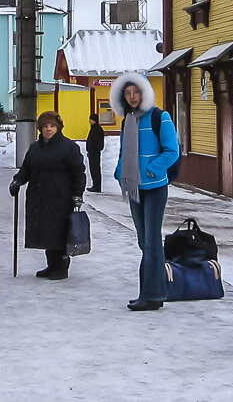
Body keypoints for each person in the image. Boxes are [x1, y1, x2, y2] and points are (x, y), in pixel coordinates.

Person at [111, 71, 179, 311]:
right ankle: (152, 291)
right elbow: (123, 152)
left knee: (151, 240)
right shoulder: (128, 120)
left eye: (136, 92)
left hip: (155, 187)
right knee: (144, 241)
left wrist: (153, 169)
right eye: (128, 93)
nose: (132, 97)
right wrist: (120, 172)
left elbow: (172, 150)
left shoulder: (160, 117)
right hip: (134, 188)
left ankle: (152, 295)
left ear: (145, 92)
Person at [8, 110, 86, 280]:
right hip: (39, 197)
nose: (48, 129)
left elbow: (79, 173)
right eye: (45, 126)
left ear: (58, 128)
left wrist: (78, 195)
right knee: (46, 232)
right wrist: (17, 181)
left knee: (59, 232)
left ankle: (61, 268)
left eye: (52, 126)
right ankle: (51, 265)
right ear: (40, 129)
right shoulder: (35, 148)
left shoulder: (69, 148)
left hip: (60, 198)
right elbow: (26, 169)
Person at [85, 112, 105, 193]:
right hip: (92, 153)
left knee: (95, 169)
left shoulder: (96, 130)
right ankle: (95, 185)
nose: (89, 121)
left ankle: (97, 187)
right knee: (93, 169)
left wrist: (93, 151)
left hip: (94, 153)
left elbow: (97, 142)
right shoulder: (93, 128)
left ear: (95, 120)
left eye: (91, 119)